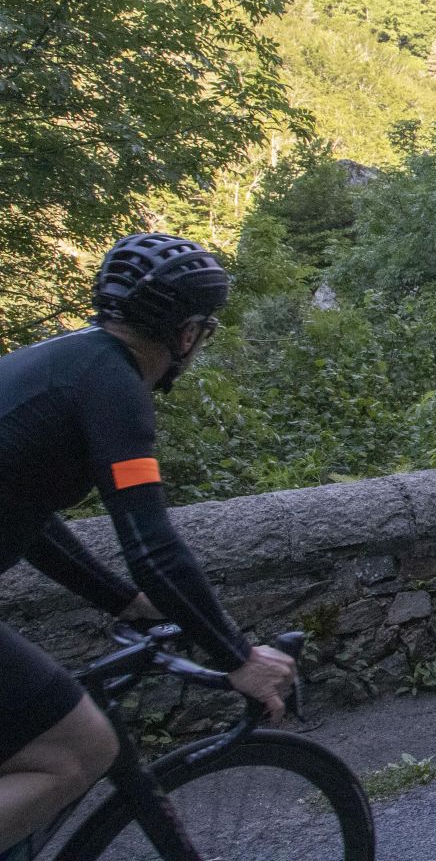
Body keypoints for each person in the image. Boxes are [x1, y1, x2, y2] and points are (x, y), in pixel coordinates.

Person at [1, 235, 296, 855]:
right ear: (187, 334)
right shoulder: (116, 389)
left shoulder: (62, 359)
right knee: (80, 750)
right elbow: (152, 543)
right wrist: (236, 656)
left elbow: (30, 519)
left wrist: (124, 602)